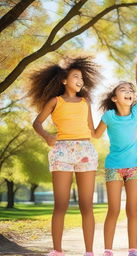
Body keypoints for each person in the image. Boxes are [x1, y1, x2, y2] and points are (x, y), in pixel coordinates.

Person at [29, 56, 101, 256]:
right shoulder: (55, 101)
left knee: (87, 206)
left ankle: (89, 252)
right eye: (76, 76)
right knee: (61, 205)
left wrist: (113, 119)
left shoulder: (85, 102)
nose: (80, 80)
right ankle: (57, 251)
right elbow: (37, 123)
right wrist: (47, 137)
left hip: (85, 150)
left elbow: (93, 131)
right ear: (64, 80)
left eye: (82, 78)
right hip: (61, 151)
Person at [92, 51, 137, 256]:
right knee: (113, 210)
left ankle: (133, 250)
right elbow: (95, 135)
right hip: (114, 167)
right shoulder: (109, 116)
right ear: (115, 98)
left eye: (130, 91)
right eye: (124, 90)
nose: (129, 92)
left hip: (134, 167)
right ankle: (108, 250)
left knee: (132, 209)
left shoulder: (136, 112)